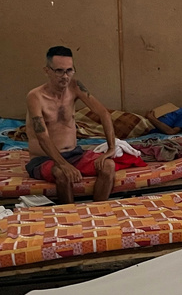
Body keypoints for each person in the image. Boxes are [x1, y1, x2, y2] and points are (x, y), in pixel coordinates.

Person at [25, 46, 117, 203]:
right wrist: (63, 164)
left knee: (108, 166)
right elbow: (42, 136)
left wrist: (111, 148)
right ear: (47, 71)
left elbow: (104, 114)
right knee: (62, 174)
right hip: (45, 158)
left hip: (75, 154)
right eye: (59, 71)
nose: (65, 76)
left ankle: (99, 212)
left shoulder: (75, 87)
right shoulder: (35, 97)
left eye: (69, 70)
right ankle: (70, 216)